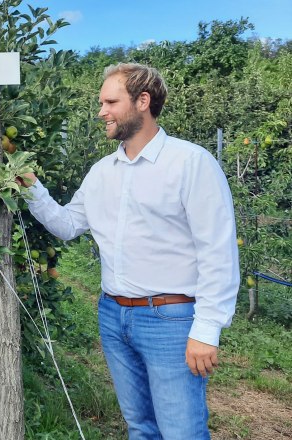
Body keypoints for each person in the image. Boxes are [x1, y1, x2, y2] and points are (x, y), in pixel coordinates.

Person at [18, 63, 239, 439]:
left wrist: (206, 328)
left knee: (181, 430)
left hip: (171, 318)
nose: (101, 111)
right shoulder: (103, 171)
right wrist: (31, 187)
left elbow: (217, 250)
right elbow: (68, 225)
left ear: (142, 101)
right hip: (113, 315)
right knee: (140, 427)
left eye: (110, 101)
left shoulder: (190, 163)